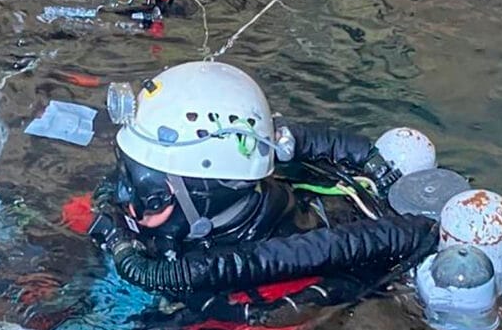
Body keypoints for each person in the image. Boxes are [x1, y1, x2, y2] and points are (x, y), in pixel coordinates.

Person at [84, 61, 438, 307]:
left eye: (152, 197)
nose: (122, 199)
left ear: (207, 199)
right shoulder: (150, 217)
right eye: (124, 174)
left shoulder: (277, 281)